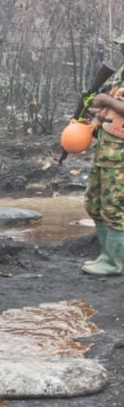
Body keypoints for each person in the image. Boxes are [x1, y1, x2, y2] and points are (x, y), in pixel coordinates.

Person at [82, 31, 124, 277]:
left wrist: (106, 102)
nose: (121, 51)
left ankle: (115, 262)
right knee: (94, 203)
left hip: (119, 153)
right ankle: (105, 254)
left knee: (115, 206)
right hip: (106, 148)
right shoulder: (120, 72)